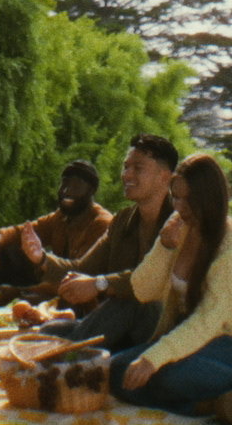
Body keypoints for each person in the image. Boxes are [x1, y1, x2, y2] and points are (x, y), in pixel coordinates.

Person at [108, 153, 232, 424]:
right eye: (175, 197)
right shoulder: (179, 228)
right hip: (190, 339)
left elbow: (208, 320)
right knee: (116, 371)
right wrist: (164, 247)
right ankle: (211, 404)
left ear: (208, 199)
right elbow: (142, 291)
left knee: (169, 375)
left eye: (187, 200)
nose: (179, 207)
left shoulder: (231, 245)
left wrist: (153, 359)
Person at [34, 133, 180, 352]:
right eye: (125, 167)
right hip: (120, 327)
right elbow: (83, 268)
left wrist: (99, 284)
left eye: (137, 168)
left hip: (164, 331)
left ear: (164, 177)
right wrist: (41, 258)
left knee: (131, 301)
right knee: (51, 331)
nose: (126, 174)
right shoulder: (122, 221)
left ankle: (66, 358)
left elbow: (151, 282)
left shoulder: (181, 222)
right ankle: (68, 355)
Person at [0, 159, 112, 309]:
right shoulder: (61, 218)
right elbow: (20, 233)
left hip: (87, 299)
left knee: (45, 295)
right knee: (9, 253)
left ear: (91, 191)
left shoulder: (101, 224)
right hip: (57, 284)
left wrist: (20, 291)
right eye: (64, 184)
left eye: (76, 186)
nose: (66, 191)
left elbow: (80, 278)